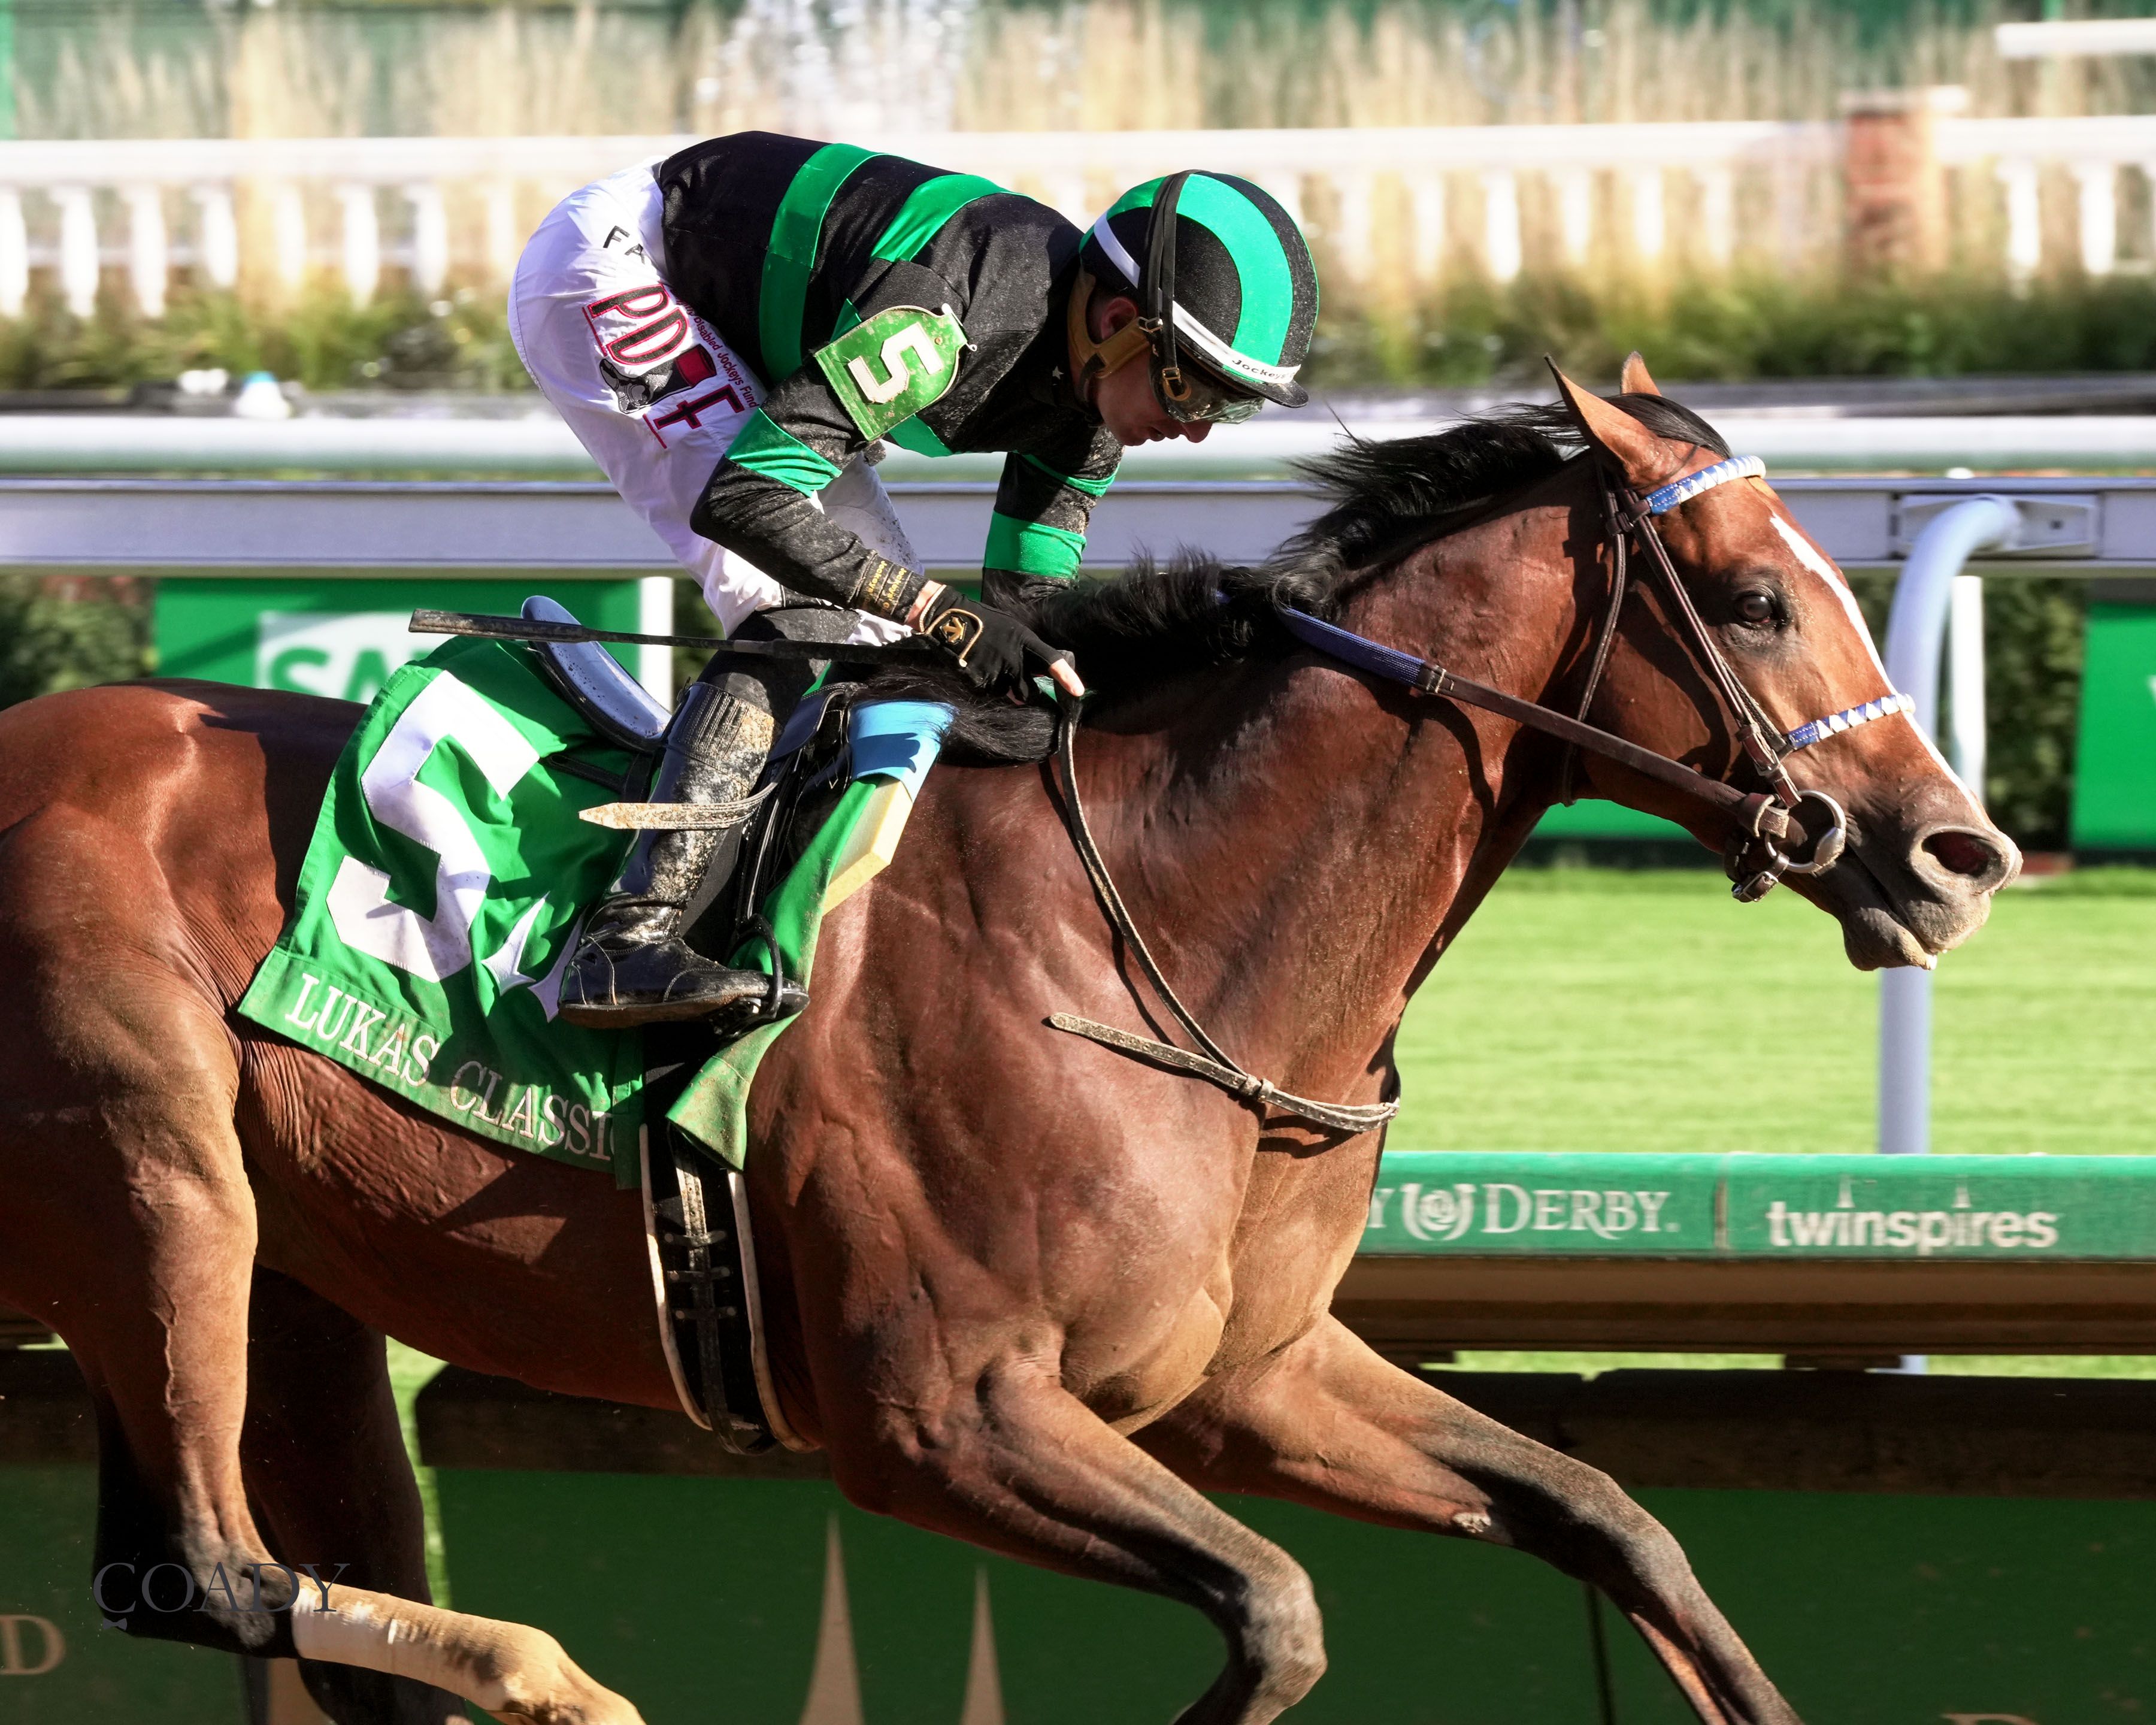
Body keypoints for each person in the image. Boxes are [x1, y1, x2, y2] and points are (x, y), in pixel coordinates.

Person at [508, 132, 1321, 1028]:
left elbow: (1028, 615)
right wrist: (943, 612)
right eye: (1194, 391)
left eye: (1228, 407)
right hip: (624, 264)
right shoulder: (939, 326)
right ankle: (627, 939)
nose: (1196, 429)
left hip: (742, 313)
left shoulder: (1091, 406)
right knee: (812, 603)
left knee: (882, 636)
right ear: (1118, 322)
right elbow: (744, 500)